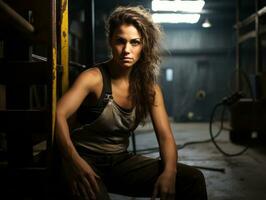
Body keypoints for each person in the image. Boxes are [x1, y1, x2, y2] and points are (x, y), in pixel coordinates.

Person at [55, 5, 207, 200]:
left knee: (192, 179)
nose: (127, 50)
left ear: (143, 46)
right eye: (120, 41)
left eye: (134, 42)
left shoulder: (149, 89)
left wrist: (170, 173)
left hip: (119, 161)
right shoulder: (93, 78)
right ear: (111, 41)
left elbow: (166, 137)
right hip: (84, 158)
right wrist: (73, 161)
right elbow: (59, 114)